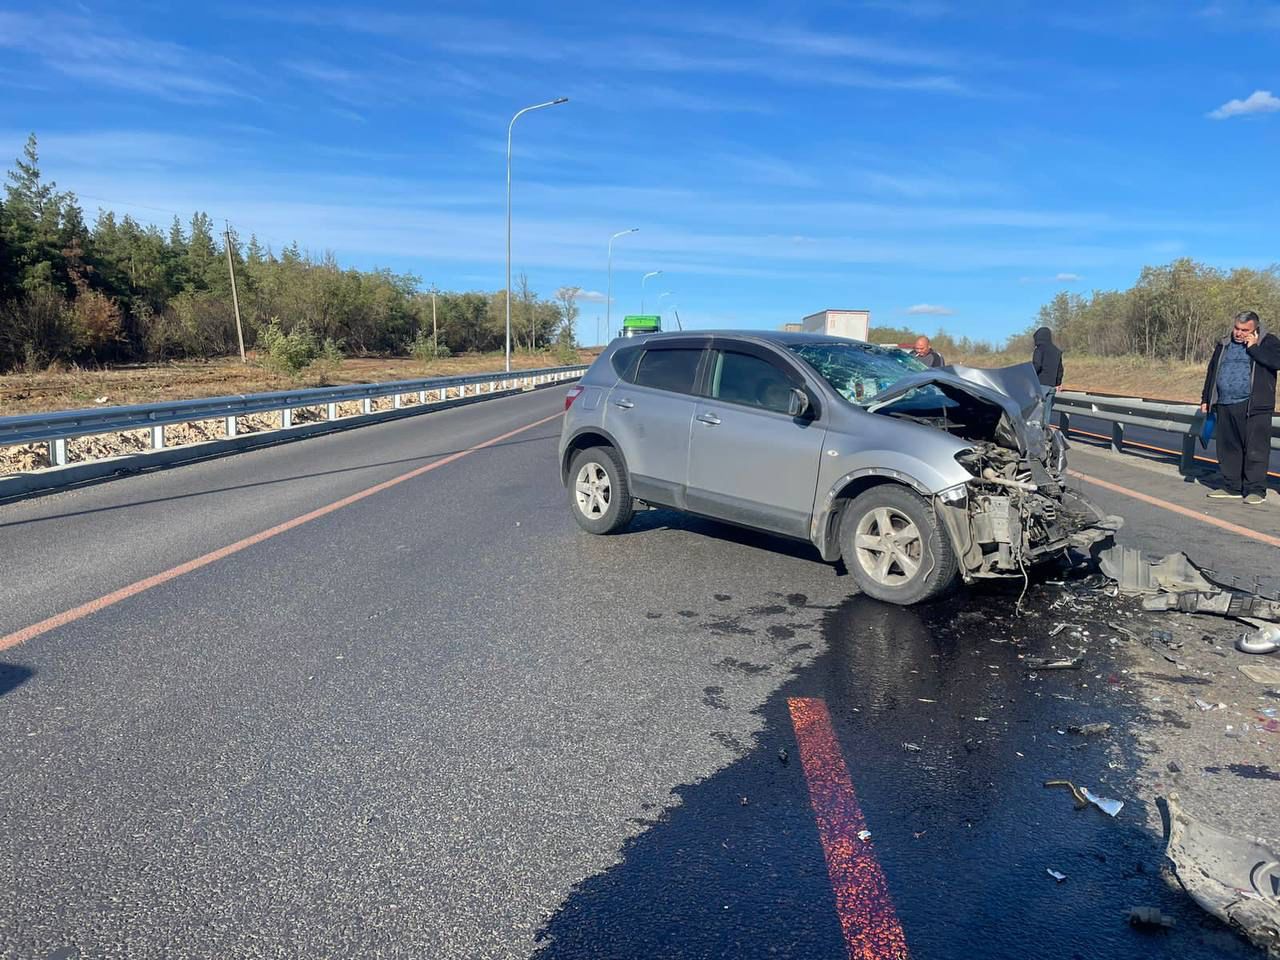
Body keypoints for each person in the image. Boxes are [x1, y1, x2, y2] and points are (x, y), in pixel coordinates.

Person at [1200, 310, 1280, 505]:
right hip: (1225, 403)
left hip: (1254, 406)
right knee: (1228, 448)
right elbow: (1213, 370)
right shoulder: (1224, 343)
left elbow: (1276, 363)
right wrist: (1206, 398)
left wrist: (1253, 348)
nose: (1239, 333)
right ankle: (1232, 486)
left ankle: (1255, 490)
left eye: (1244, 330)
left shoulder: (1268, 342)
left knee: (1255, 449)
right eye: (1236, 328)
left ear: (1255, 329)